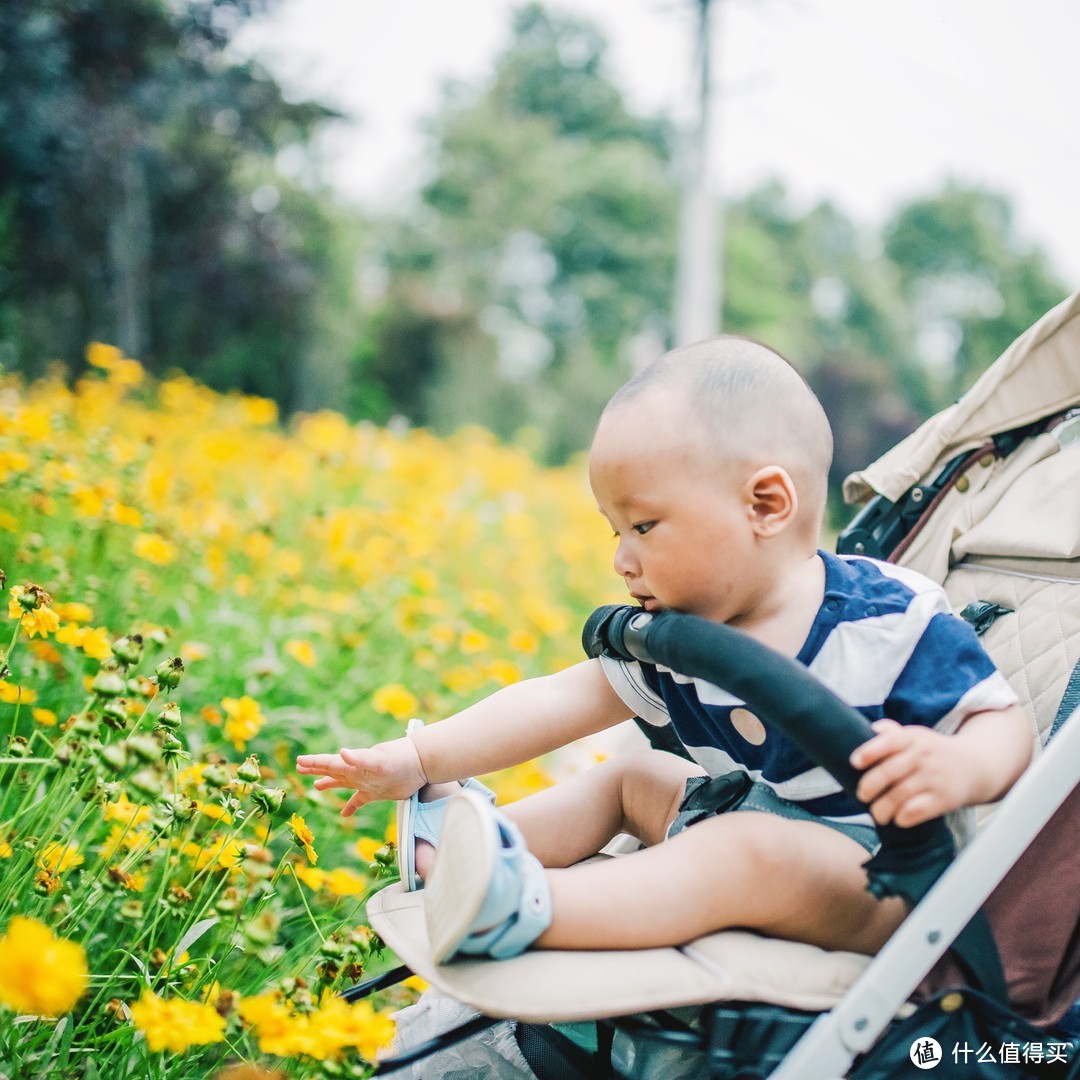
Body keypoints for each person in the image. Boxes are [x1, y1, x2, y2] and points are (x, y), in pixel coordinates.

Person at [297, 336, 1031, 965]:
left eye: (643, 527)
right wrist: (422, 760)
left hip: (880, 881)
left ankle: (529, 905)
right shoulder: (682, 632)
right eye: (612, 531)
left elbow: (1005, 725)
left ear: (765, 505)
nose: (621, 559)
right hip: (756, 813)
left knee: (744, 853)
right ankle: (471, 856)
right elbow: (562, 698)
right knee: (632, 776)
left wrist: (958, 766)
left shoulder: (885, 621)